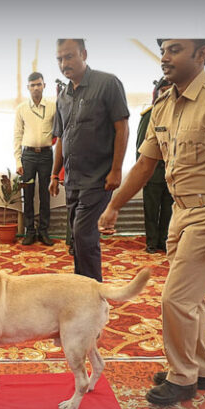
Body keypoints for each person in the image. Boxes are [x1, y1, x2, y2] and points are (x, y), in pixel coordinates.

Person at [98, 39, 205, 406]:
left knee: (177, 299)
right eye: (164, 49)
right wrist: (114, 207)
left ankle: (181, 377)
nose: (165, 57)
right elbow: (144, 165)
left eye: (175, 49)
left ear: (201, 54)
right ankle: (198, 370)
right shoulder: (164, 106)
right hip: (180, 213)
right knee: (191, 300)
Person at [49, 38, 130, 281]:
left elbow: (122, 128)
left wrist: (116, 170)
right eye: (60, 59)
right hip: (73, 180)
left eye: (69, 56)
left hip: (98, 178)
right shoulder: (63, 95)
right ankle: (81, 289)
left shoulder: (107, 83)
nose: (64, 63)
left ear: (83, 54)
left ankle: (94, 294)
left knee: (84, 235)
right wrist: (55, 174)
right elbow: (62, 137)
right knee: (77, 239)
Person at [14, 72, 57, 246]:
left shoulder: (53, 107)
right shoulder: (22, 109)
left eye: (39, 84)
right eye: (32, 85)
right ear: (28, 88)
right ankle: (30, 231)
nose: (36, 88)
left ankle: (44, 231)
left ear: (44, 86)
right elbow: (17, 135)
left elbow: (60, 133)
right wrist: (18, 161)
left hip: (46, 155)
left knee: (46, 195)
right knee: (28, 194)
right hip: (28, 157)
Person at [137, 78, 174, 253]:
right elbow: (140, 147)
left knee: (169, 210)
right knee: (151, 211)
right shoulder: (149, 115)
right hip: (153, 173)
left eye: (170, 90)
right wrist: (141, 175)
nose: (166, 94)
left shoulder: (179, 114)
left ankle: (163, 241)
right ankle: (151, 242)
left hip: (172, 173)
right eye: (163, 91)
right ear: (157, 93)